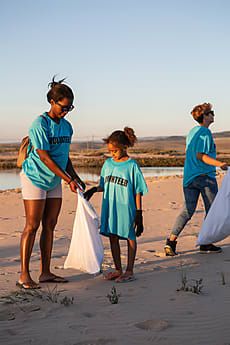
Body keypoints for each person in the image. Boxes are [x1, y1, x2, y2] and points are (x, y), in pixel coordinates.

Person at [17, 77, 85, 289]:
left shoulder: (67, 126)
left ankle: (45, 272)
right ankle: (24, 275)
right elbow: (45, 157)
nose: (66, 111)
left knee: (50, 224)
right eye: (64, 107)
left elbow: (64, 156)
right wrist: (67, 180)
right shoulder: (40, 124)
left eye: (70, 107)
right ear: (52, 102)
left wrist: (74, 177)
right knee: (32, 225)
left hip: (55, 178)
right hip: (35, 177)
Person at [84, 127, 148, 282]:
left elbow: (138, 191)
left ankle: (130, 270)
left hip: (126, 207)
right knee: (112, 237)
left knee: (129, 236)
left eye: (115, 151)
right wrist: (93, 190)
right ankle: (118, 269)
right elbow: (103, 185)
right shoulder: (108, 164)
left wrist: (139, 213)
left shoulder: (132, 165)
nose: (112, 154)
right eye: (110, 151)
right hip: (110, 206)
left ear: (124, 147)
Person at [164, 102, 228, 256]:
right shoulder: (205, 133)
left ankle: (170, 242)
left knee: (187, 210)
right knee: (212, 211)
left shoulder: (192, 132)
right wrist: (220, 164)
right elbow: (201, 156)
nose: (213, 115)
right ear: (205, 117)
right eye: (211, 112)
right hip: (205, 177)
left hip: (189, 178)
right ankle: (205, 243)